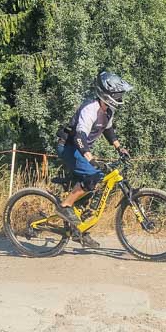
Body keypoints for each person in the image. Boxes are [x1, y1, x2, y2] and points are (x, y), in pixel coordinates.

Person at [56, 71, 133, 245]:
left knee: (95, 184)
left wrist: (119, 148)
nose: (120, 96)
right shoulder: (90, 109)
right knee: (94, 176)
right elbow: (79, 137)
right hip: (68, 147)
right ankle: (64, 206)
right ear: (107, 93)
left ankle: (78, 230)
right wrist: (89, 157)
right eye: (118, 93)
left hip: (79, 148)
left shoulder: (108, 110)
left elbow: (108, 130)